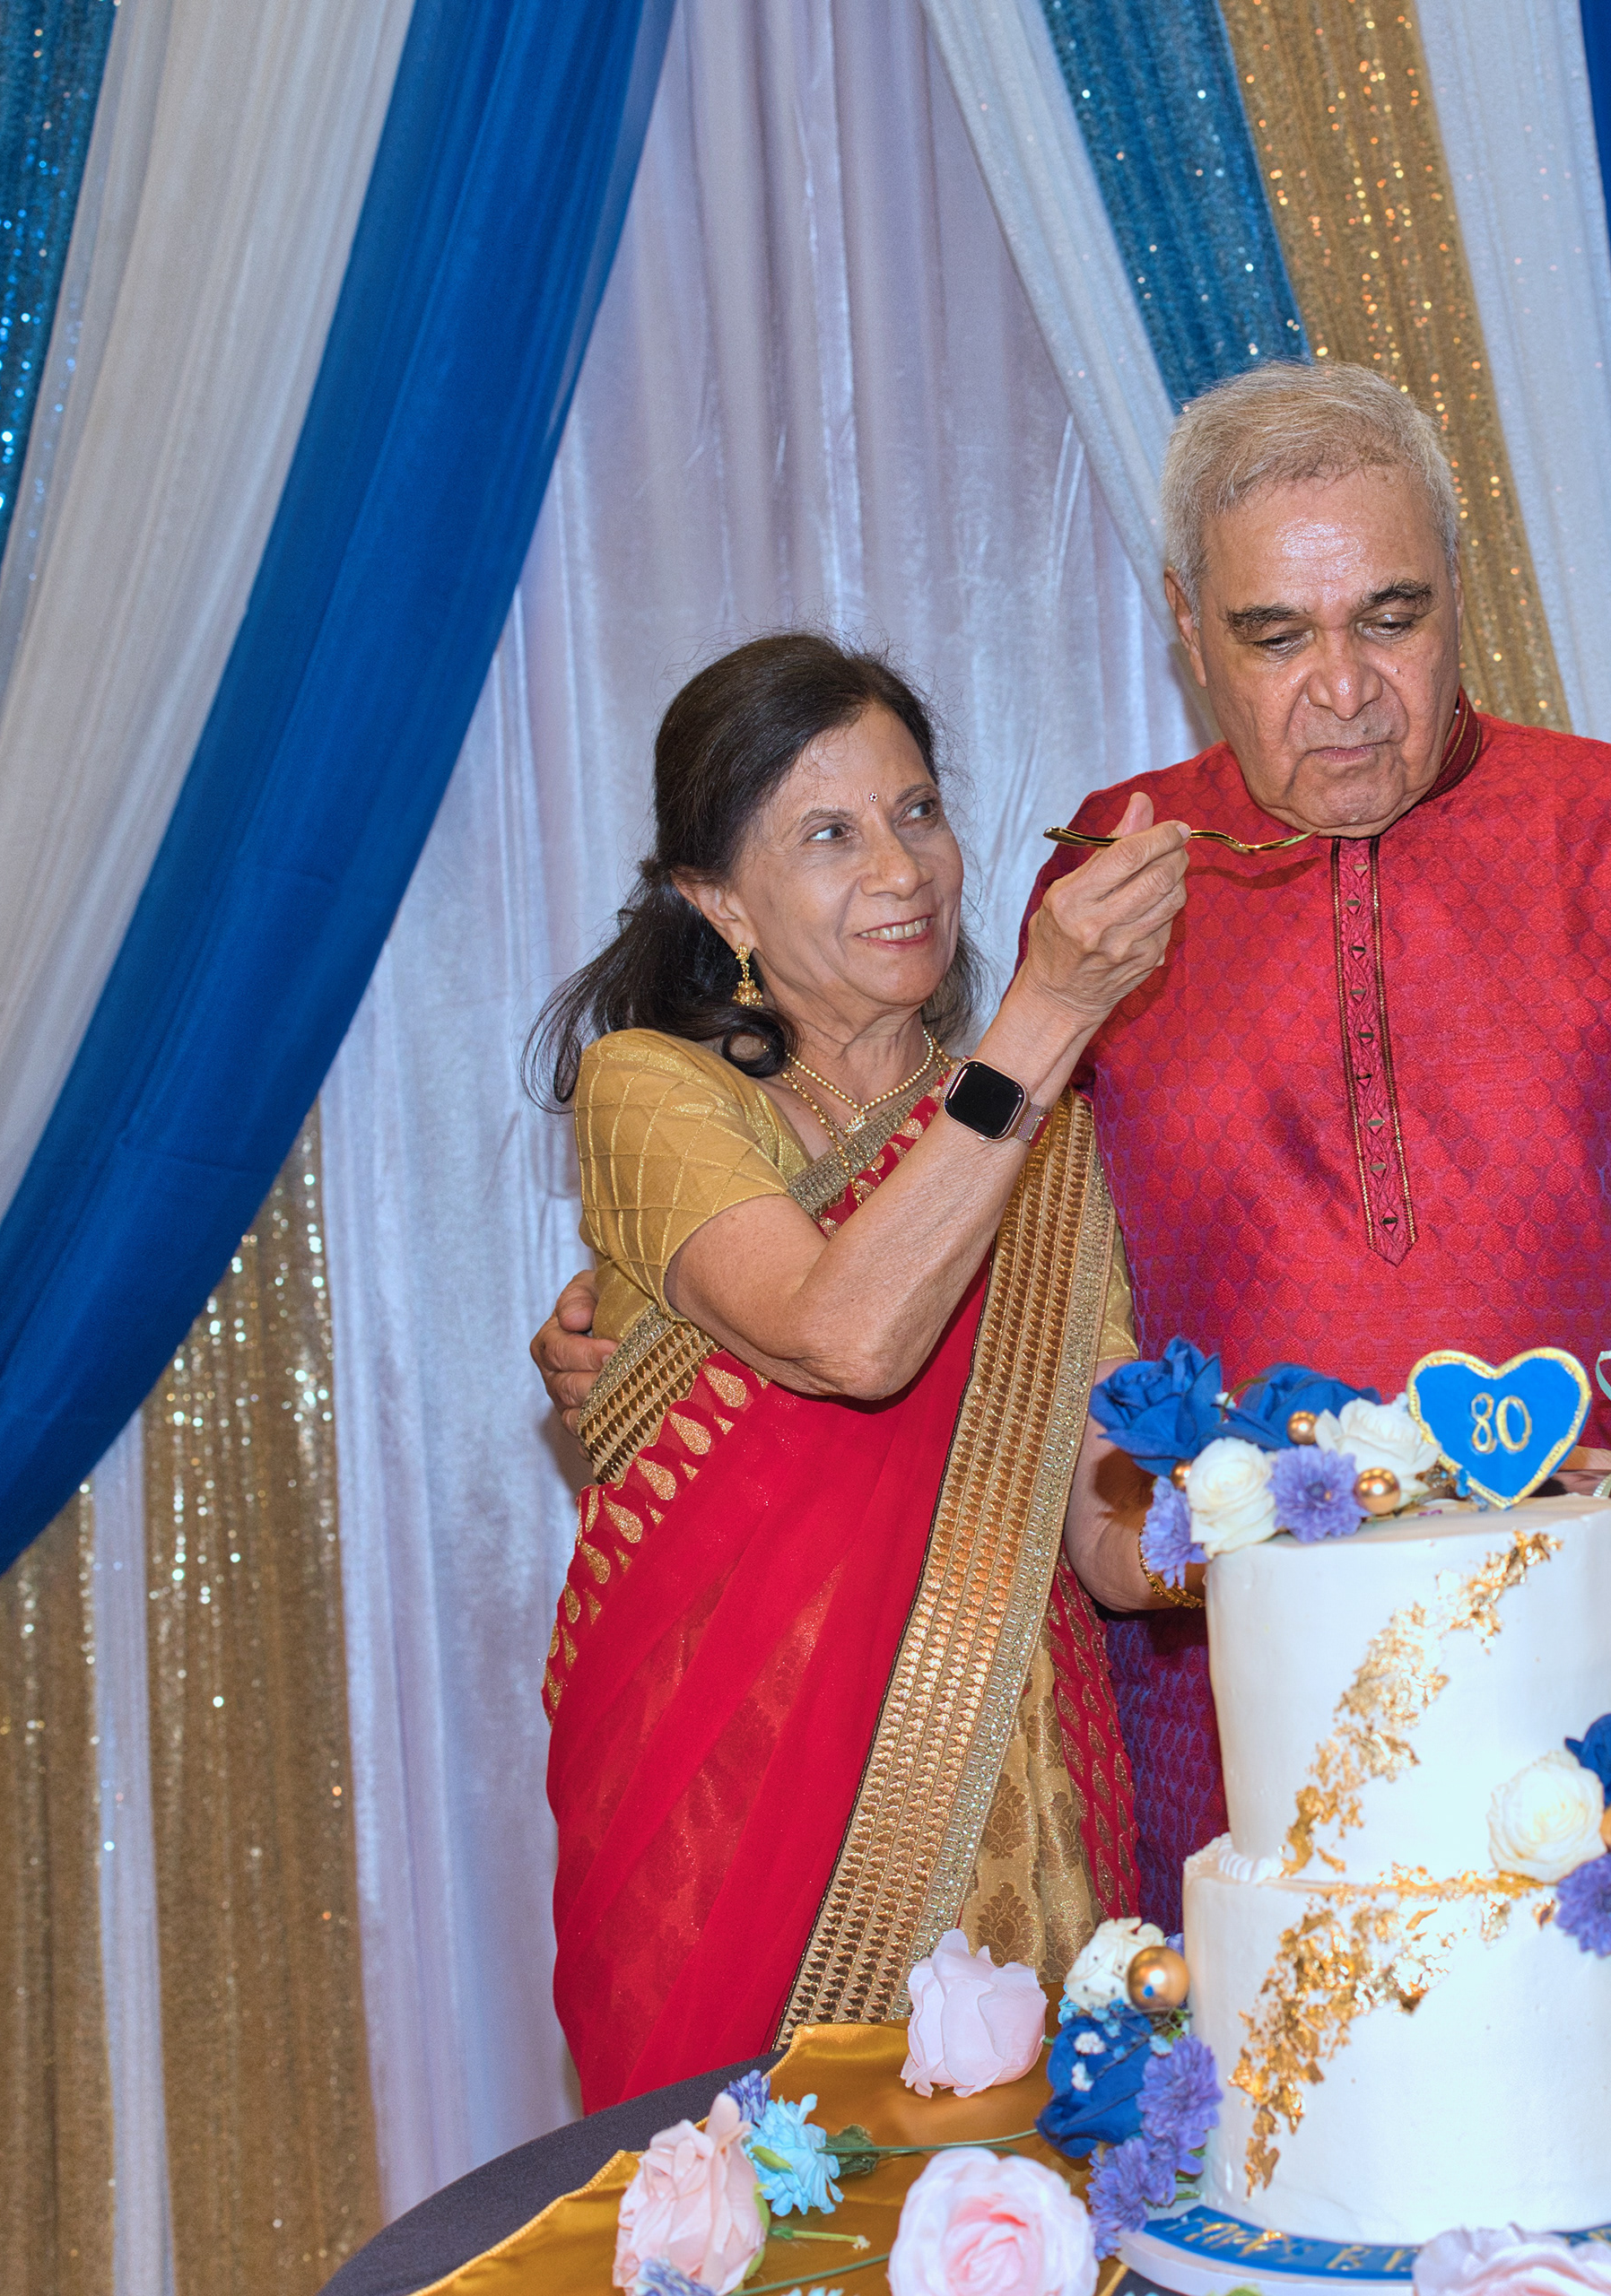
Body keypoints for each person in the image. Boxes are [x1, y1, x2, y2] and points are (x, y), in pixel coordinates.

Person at [541, 363, 1611, 1926]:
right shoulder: (1107, 894)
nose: (1345, 689)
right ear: (1187, 627)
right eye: (1275, 634)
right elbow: (996, 1262)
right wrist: (656, 1334)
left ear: (1461, 592)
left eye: (1391, 616)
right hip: (1236, 1707)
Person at [529, 633, 1192, 2106]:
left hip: (999, 1801)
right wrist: (1048, 1016)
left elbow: (1106, 1536)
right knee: (767, 2198)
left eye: (917, 812)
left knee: (1015, 2203)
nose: (901, 870)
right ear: (718, 899)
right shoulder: (655, 1090)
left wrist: (1273, 1512)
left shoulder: (1038, 1139)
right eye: (826, 835)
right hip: (727, 1817)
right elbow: (846, 1337)